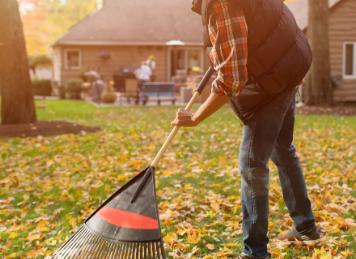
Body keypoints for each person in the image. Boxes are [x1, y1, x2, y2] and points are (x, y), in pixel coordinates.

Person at [172, 0, 320, 258]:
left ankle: (255, 252)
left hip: (272, 85)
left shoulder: (220, 4)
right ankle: (306, 227)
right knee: (283, 150)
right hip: (289, 69)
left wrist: (196, 116)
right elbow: (272, 18)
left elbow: (232, 80)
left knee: (252, 166)